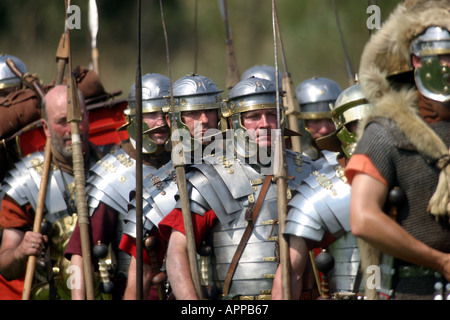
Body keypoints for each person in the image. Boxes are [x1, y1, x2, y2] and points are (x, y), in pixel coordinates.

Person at [158, 76, 323, 300]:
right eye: (254, 116)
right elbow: (177, 254)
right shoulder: (212, 176)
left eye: (272, 114)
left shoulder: (308, 171)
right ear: (236, 122)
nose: (265, 123)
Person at [345, 0, 450, 300]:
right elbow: (363, 218)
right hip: (417, 291)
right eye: (441, 56)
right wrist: (440, 260)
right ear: (417, 61)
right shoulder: (385, 134)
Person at [64, 73, 172, 300]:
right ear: (132, 117)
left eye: (167, 113)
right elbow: (81, 255)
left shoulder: (188, 163)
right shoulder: (112, 176)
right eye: (151, 114)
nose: (161, 122)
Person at [119, 73, 224, 299]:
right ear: (173, 120)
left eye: (210, 111)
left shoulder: (244, 169)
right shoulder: (156, 189)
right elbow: (142, 274)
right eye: (194, 113)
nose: (204, 120)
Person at [0, 84, 102, 299]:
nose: (73, 129)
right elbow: (6, 264)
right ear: (46, 127)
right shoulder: (26, 182)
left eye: (78, 119)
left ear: (88, 118)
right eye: (62, 122)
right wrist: (21, 252)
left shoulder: (113, 170)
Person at [272, 83, 371, 300]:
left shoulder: (417, 171)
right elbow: (290, 275)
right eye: (359, 124)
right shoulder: (317, 192)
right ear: (343, 129)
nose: (371, 132)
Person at [296, 77, 342, 160]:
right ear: (301, 122)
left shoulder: (353, 157)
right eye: (316, 121)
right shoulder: (288, 160)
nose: (324, 130)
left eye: (331, 120)